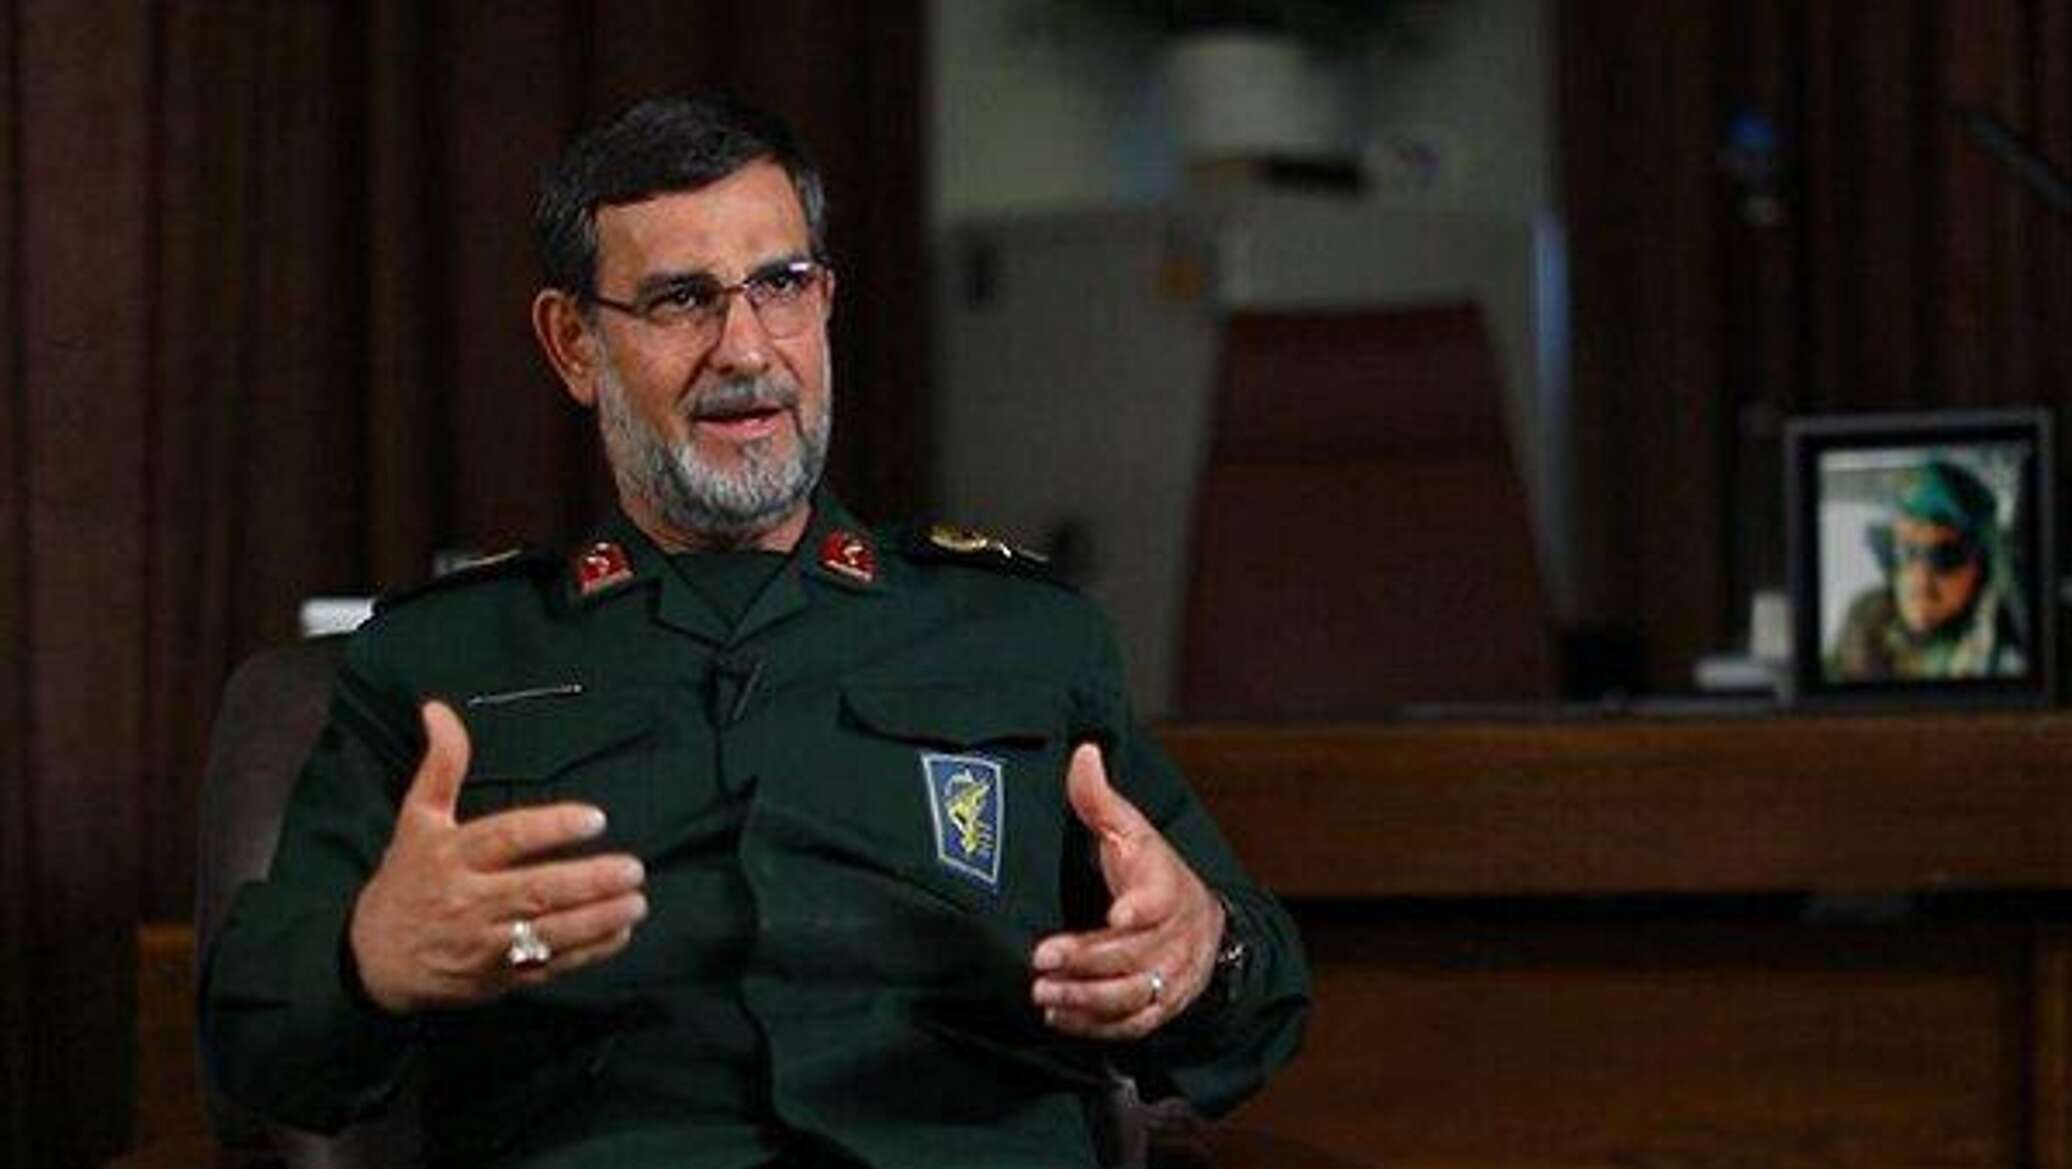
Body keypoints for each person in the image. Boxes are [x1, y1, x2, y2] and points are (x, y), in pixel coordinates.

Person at [200, 94, 1308, 1169]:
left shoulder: (1021, 637)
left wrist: (1201, 950)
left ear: (824, 303)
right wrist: (367, 960)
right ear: (574, 344)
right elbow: (255, 1054)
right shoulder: (444, 661)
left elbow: (1256, 1008)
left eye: (779, 285)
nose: (744, 349)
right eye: (681, 300)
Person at [1827, 458, 2027, 681]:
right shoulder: (1868, 620)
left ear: (1982, 567)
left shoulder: (2006, 638)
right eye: (1906, 552)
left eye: (1943, 557)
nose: (1921, 580)